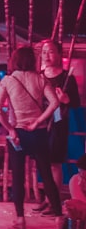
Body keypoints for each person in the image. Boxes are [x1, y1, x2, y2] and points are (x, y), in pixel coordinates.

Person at [0, 45, 62, 229]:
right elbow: (54, 103)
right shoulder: (40, 79)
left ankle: (21, 219)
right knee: (46, 175)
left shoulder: (7, 80)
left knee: (18, 177)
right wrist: (38, 120)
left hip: (18, 135)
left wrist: (10, 130)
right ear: (32, 61)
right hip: (37, 133)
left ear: (14, 60)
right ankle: (59, 218)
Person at [40, 39, 80, 198]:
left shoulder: (67, 78)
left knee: (55, 164)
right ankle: (47, 199)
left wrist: (66, 100)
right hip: (40, 124)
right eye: (43, 52)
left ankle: (54, 200)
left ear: (58, 54)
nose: (46, 56)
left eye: (50, 52)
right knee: (42, 164)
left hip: (58, 125)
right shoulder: (39, 76)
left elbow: (76, 103)